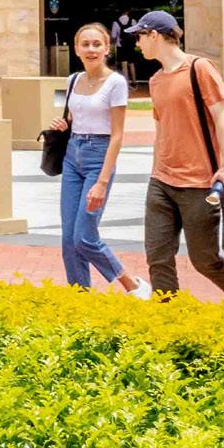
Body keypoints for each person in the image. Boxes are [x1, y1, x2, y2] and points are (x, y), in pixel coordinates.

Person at [132, 10, 224, 310]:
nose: (137, 44)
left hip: (199, 183)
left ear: (154, 35)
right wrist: (156, 168)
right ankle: (169, 316)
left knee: (205, 260)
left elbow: (222, 119)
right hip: (161, 181)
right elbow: (162, 128)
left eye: (140, 36)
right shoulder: (156, 80)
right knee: (157, 256)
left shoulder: (199, 68)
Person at [50, 23, 151, 297]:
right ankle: (80, 298)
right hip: (72, 155)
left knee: (84, 236)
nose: (91, 49)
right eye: (85, 44)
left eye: (97, 44)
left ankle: (132, 284)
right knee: (68, 240)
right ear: (76, 49)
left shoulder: (116, 83)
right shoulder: (73, 80)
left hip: (99, 156)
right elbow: (74, 117)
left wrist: (102, 182)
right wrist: (64, 124)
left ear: (107, 48)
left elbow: (117, 135)